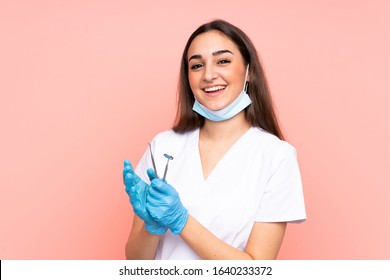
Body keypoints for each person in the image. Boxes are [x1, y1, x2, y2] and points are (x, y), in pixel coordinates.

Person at [123, 19, 306, 260]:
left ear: (249, 71)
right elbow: (135, 261)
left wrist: (181, 220)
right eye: (197, 65)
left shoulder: (276, 156)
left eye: (223, 61)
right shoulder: (163, 146)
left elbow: (257, 269)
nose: (209, 75)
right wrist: (151, 228)